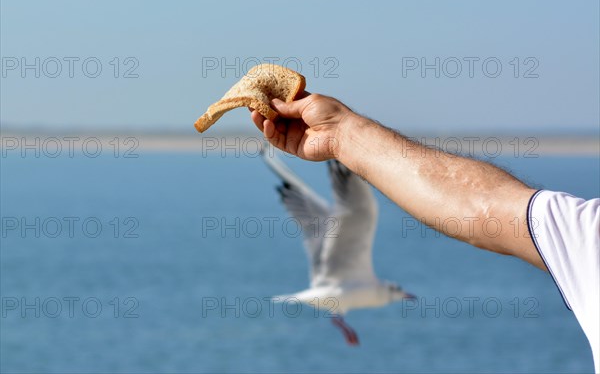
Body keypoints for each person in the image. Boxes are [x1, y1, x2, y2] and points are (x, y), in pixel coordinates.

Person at [249, 93, 599, 372]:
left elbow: (480, 207)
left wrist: (341, 133)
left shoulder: (589, 235)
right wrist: (339, 133)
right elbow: (478, 206)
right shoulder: (589, 234)